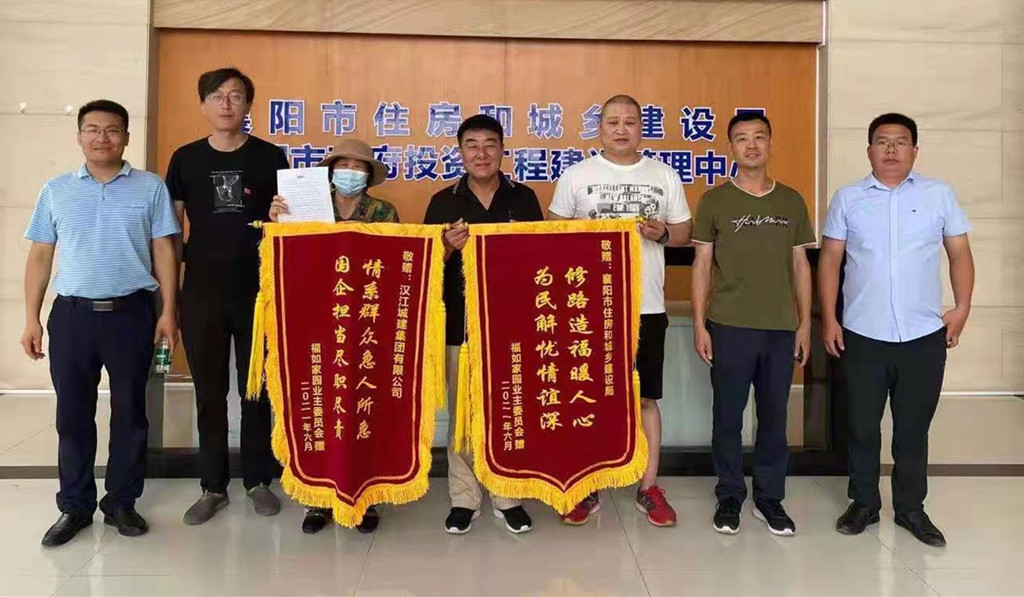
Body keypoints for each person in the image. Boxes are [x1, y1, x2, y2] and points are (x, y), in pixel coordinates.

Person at [23, 100, 180, 546]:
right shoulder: (56, 190)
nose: (102, 138)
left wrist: (169, 311)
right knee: (72, 414)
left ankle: (122, 503)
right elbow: (40, 255)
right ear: (79, 137)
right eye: (92, 129)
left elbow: (164, 250)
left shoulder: (150, 188)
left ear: (126, 137)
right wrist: (31, 318)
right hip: (72, 316)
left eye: (112, 130)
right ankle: (74, 506)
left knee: (131, 412)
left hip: (132, 314)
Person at [819, 113, 975, 548]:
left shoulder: (938, 195)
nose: (891, 149)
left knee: (912, 428)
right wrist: (829, 318)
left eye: (900, 142)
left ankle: (911, 509)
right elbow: (830, 260)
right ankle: (863, 503)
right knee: (861, 425)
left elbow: (960, 253)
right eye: (882, 141)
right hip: (862, 333)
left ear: (914, 151)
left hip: (922, 336)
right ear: (869, 150)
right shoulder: (848, 198)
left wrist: (962, 307)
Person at [548, 94, 692, 527]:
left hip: (646, 305)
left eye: (630, 122)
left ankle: (649, 487)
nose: (621, 129)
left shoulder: (664, 175)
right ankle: (587, 484)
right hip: (589, 307)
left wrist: (663, 232)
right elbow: (551, 232)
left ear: (641, 128)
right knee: (587, 395)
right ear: (600, 129)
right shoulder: (577, 175)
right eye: (613, 122)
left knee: (646, 398)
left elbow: (684, 232)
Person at [167, 67, 288, 525]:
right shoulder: (185, 159)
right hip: (201, 291)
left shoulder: (271, 157)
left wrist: (281, 216)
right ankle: (212, 486)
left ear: (248, 105)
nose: (226, 104)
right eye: (217, 96)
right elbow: (171, 230)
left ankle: (258, 480)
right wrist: (170, 295)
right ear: (203, 104)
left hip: (258, 292)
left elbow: (289, 222)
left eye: (236, 96)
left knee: (257, 388)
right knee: (209, 391)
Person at [691, 112, 814, 537]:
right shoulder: (715, 201)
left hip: (780, 327)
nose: (751, 145)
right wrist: (699, 325)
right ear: (731, 148)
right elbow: (702, 265)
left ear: (770, 144)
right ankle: (729, 495)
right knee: (727, 415)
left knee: (774, 415)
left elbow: (801, 264)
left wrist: (804, 324)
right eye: (742, 138)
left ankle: (769, 498)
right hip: (728, 324)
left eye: (759, 137)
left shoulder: (791, 201)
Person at [270, 138, 398, 534]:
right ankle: (317, 498)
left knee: (363, 406)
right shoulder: (303, 205)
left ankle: (365, 496)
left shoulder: (383, 211)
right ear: (330, 170)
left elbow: (393, 261)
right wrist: (276, 223)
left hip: (365, 323)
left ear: (368, 175)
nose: (350, 173)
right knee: (318, 405)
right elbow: (285, 255)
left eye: (358, 167)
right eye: (343, 165)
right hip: (314, 321)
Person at [424, 114, 543, 535]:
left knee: (509, 408)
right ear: (460, 152)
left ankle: (508, 494)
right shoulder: (443, 201)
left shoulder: (523, 198)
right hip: (459, 324)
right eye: (472, 145)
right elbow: (423, 267)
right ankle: (464, 498)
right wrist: (444, 247)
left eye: (490, 144)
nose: (481, 153)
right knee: (462, 414)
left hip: (512, 324)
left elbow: (542, 259)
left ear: (502, 150)